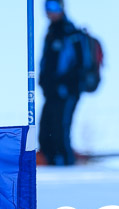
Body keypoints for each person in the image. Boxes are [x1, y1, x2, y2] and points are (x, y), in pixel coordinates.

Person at [38, 0, 82, 166]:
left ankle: (65, 166)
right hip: (51, 93)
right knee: (45, 133)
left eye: (55, 7)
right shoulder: (51, 32)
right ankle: (49, 163)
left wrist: (64, 85)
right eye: (48, 7)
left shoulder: (70, 33)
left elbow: (76, 66)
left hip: (65, 92)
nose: (51, 12)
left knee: (59, 132)